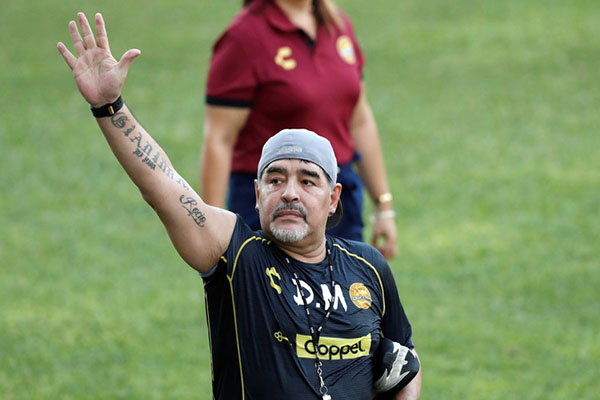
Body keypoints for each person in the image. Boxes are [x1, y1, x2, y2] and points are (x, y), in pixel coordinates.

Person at [57, 12, 421, 400]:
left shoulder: (368, 267)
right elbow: (161, 181)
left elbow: (405, 363)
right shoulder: (237, 258)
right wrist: (110, 106)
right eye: (275, 180)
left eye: (307, 181)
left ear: (333, 199)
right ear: (258, 193)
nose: (290, 193)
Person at [201, 0, 399, 259]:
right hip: (275, 208)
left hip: (339, 204)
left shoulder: (337, 25)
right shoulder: (244, 37)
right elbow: (219, 139)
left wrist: (383, 207)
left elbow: (359, 121)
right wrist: (211, 231)